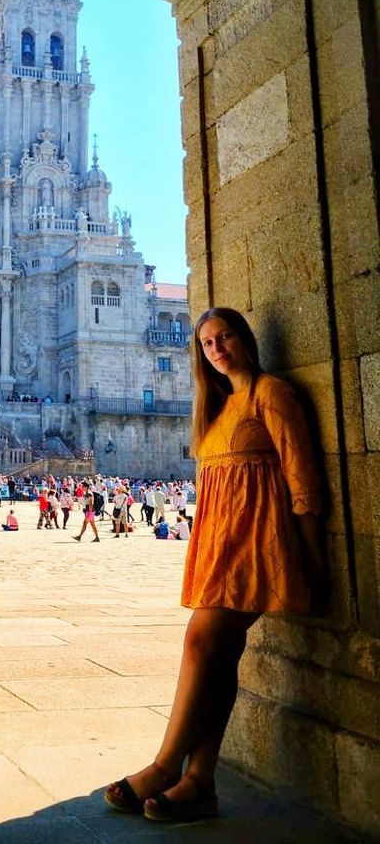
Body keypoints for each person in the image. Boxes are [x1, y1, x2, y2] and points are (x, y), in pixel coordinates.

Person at [105, 307, 325, 823]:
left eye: (224, 337)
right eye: (206, 343)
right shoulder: (216, 407)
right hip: (219, 545)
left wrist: (314, 561)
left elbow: (303, 480)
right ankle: (199, 784)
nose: (217, 348)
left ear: (244, 339)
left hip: (259, 545)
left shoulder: (270, 394)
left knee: (200, 640)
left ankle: (163, 766)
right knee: (220, 657)